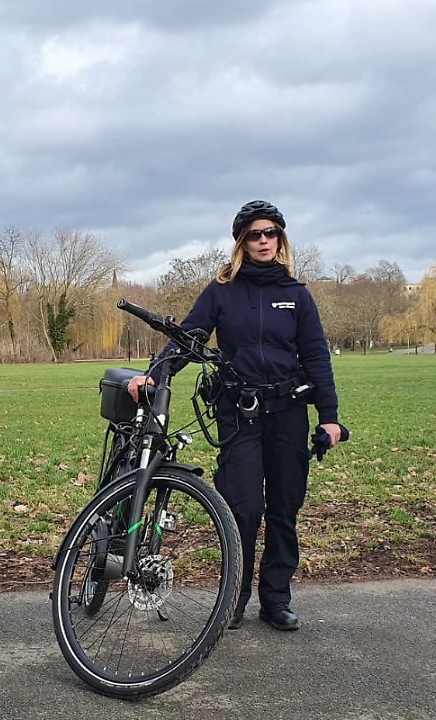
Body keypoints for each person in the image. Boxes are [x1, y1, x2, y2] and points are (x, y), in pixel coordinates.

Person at [127, 200, 345, 632]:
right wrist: (155, 375)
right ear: (241, 242)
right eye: (255, 234)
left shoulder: (296, 295)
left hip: (288, 412)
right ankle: (235, 598)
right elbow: (188, 337)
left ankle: (276, 598)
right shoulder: (221, 291)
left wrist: (330, 417)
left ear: (281, 239)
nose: (264, 240)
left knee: (284, 507)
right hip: (239, 413)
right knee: (243, 509)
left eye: (271, 233)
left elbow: (317, 357)